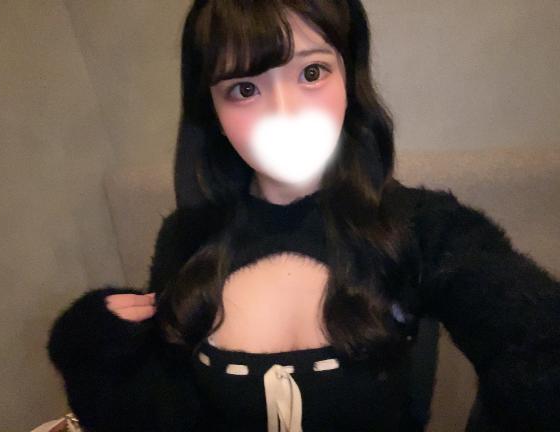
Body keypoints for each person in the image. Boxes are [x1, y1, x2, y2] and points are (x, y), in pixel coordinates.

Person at [46, 1, 560, 431]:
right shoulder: (188, 237)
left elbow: (538, 347)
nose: (284, 112)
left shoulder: (423, 225)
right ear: (213, 113)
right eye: (244, 89)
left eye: (312, 73)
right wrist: (93, 353)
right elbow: (159, 414)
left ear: (349, 78)